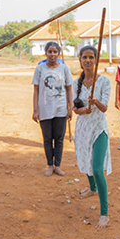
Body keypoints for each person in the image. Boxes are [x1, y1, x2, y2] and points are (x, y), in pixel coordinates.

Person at [73, 46, 111, 229]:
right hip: (82, 130)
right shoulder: (76, 83)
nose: (87, 60)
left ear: (96, 59)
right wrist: (84, 110)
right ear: (80, 59)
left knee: (97, 169)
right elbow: (76, 109)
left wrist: (95, 102)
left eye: (91, 57)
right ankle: (93, 189)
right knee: (85, 160)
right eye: (84, 57)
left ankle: (104, 213)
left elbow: (105, 108)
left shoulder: (104, 81)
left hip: (98, 129)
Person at [32, 41, 73, 177]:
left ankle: (58, 166)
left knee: (59, 139)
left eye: (55, 52)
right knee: (47, 139)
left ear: (59, 54)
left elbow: (69, 88)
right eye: (50, 51)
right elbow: (36, 90)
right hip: (44, 109)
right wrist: (35, 110)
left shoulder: (64, 69)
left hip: (61, 108)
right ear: (46, 53)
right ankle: (50, 165)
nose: (52, 54)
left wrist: (70, 106)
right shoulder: (40, 69)